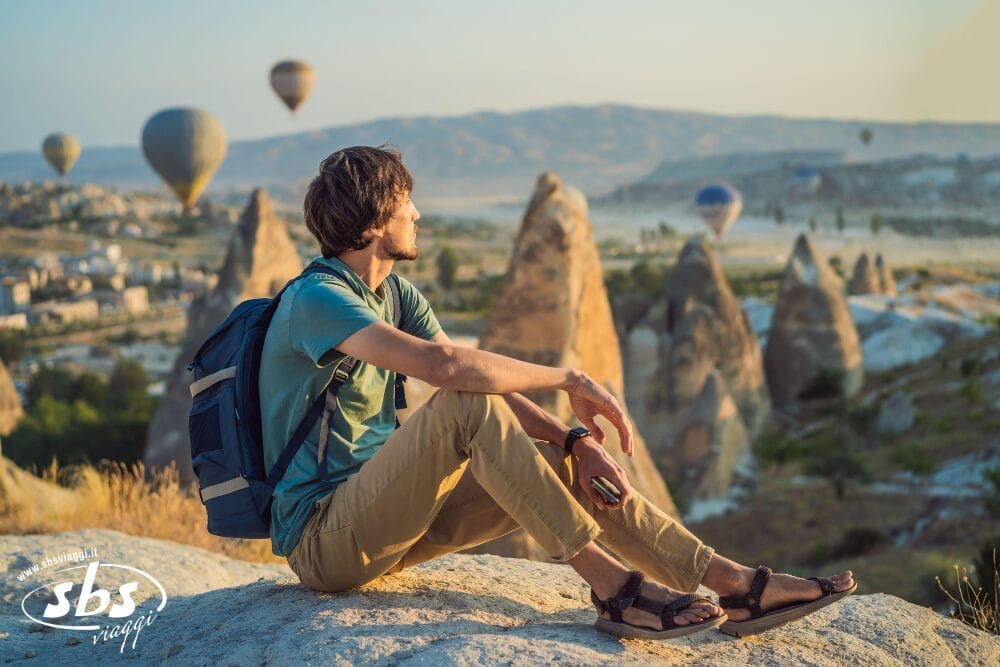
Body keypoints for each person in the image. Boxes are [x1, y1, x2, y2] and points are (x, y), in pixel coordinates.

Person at [259, 145, 856, 640]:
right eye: (404, 203)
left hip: (387, 524)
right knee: (461, 402)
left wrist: (571, 439)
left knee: (560, 463)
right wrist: (570, 379)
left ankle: (731, 583)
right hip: (325, 541)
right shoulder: (316, 300)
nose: (417, 213)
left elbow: (481, 385)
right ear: (371, 225)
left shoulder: (395, 294)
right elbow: (446, 370)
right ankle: (615, 590)